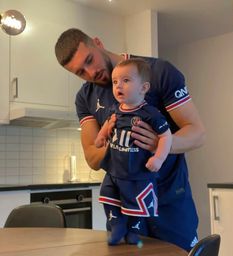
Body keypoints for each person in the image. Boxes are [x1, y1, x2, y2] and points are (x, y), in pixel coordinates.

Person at [54, 28, 206, 252]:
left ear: (98, 42)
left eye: (89, 60)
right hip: (124, 210)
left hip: (169, 204)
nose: (90, 73)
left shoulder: (159, 72)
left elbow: (197, 133)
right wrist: (116, 142)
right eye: (80, 72)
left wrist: (160, 144)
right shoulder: (85, 98)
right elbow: (92, 157)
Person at [95, 58, 172, 245]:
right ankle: (116, 225)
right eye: (115, 82)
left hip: (138, 173)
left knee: (137, 205)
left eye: (126, 80)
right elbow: (109, 123)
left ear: (144, 88)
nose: (118, 85)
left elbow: (166, 136)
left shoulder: (150, 113)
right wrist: (101, 136)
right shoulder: (116, 109)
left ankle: (133, 231)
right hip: (113, 170)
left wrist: (159, 158)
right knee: (108, 198)